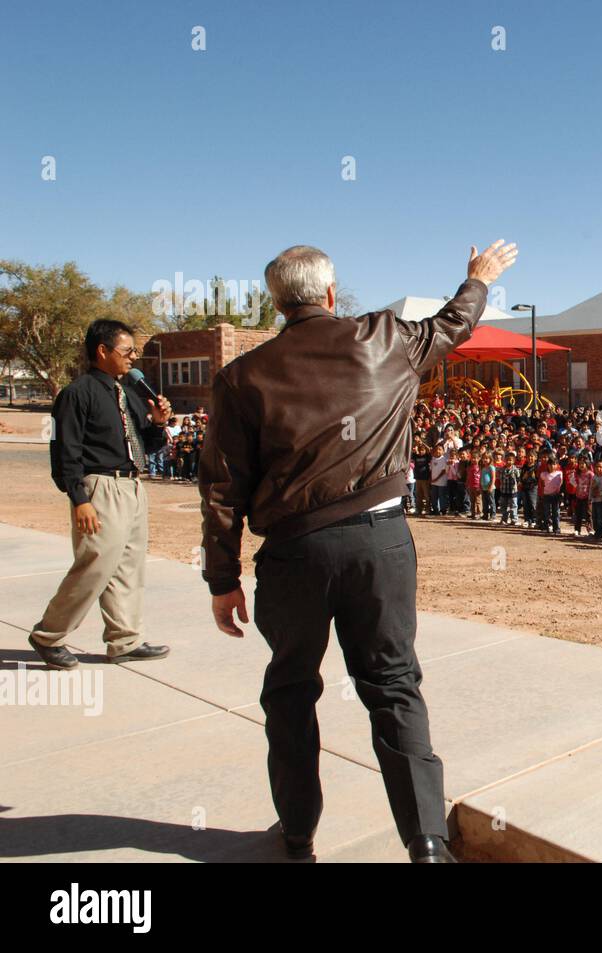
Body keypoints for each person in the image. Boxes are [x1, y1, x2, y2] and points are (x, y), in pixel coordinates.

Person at [199, 240, 516, 863]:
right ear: (328, 293)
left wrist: (221, 577)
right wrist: (477, 278)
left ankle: (297, 835)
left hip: (294, 554)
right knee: (393, 685)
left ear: (278, 301)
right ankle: (426, 841)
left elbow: (221, 485)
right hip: (379, 542)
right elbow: (456, 324)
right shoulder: (386, 338)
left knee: (290, 691)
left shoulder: (243, 375)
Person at [28, 320, 173, 669]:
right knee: (95, 565)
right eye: (127, 351)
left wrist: (156, 422)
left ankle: (124, 640)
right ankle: (48, 635)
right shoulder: (76, 394)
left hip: (132, 486)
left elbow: (148, 445)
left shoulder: (130, 395)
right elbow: (66, 452)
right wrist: (80, 499)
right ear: (102, 351)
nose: (133, 358)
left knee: (128, 568)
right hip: (100, 488)